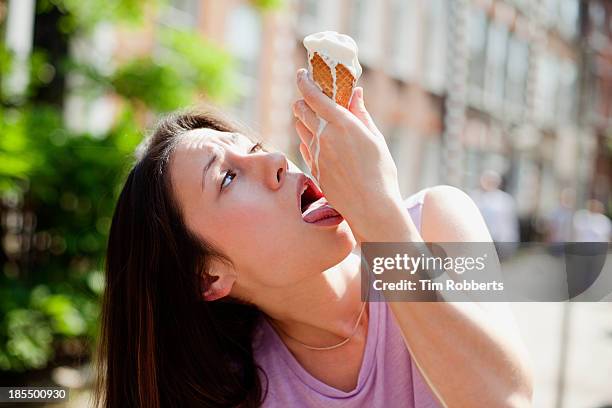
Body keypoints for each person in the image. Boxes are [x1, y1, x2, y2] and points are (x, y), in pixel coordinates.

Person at [95, 69, 533, 407]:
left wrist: (379, 215)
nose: (275, 159)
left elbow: (508, 399)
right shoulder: (250, 392)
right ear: (208, 277)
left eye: (251, 148)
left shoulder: (434, 223)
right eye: (227, 177)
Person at [470, 170, 520, 260]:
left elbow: (509, 223)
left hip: (498, 240)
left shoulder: (505, 200)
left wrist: (510, 242)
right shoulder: (474, 197)